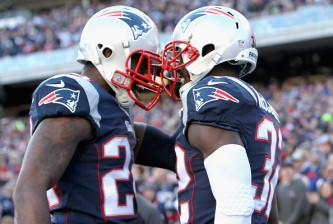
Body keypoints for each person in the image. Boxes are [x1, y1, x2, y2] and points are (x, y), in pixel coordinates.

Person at [13, 5, 163, 224]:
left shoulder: (112, 110)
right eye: (141, 62)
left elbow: (169, 148)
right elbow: (29, 187)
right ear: (108, 52)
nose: (145, 73)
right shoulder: (80, 94)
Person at [135, 5, 282, 224]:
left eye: (181, 53)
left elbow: (236, 201)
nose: (176, 65)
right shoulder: (257, 104)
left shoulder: (211, 94)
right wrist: (114, 127)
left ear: (209, 48)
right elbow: (180, 154)